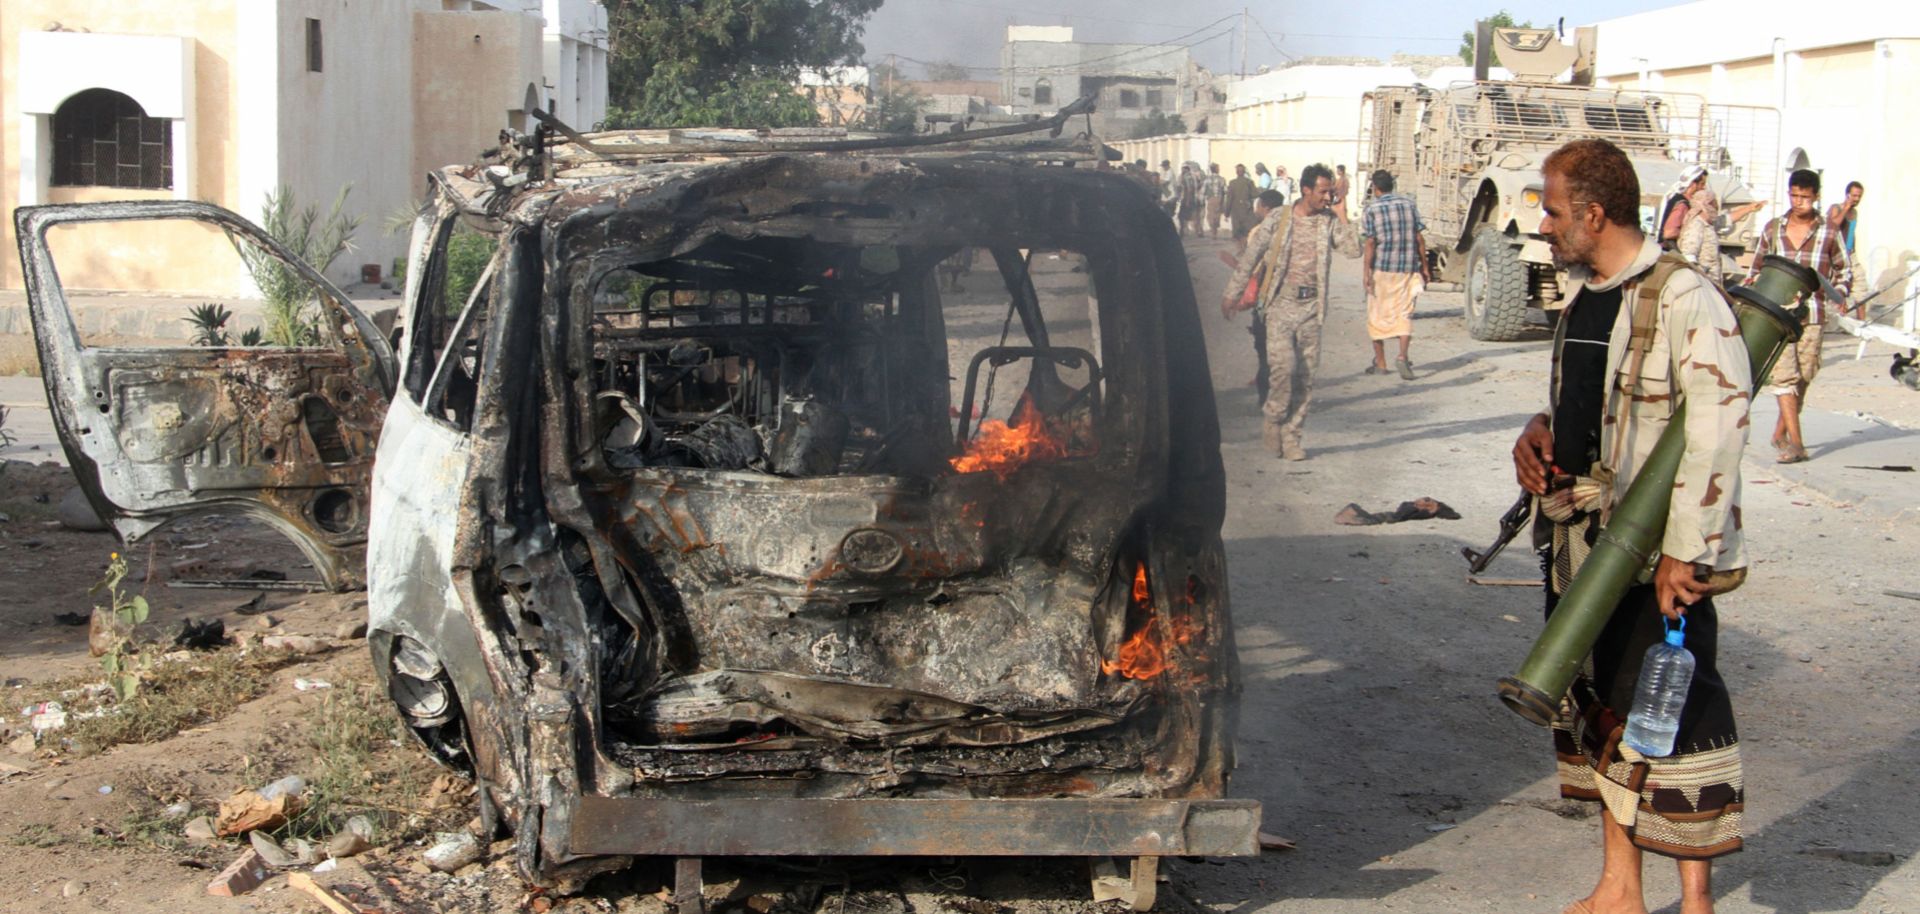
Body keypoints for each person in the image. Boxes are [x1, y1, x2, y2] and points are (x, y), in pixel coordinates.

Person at [1511, 138, 1752, 914]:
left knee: (1672, 717)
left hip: (1654, 556)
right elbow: (1588, 398)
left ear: (1594, 212)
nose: (1544, 226)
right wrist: (1537, 432)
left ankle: (1697, 901)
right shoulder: (1587, 296)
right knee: (1604, 713)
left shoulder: (1685, 296)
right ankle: (1619, 889)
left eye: (1552, 211)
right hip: (1582, 547)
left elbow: (1717, 426)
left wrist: (1690, 550)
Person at [1226, 165, 1358, 459]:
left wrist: (1340, 213)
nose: (1328, 196)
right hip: (1280, 308)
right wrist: (1232, 294)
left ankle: (1292, 436)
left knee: (1306, 377)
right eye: (1323, 191)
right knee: (1283, 369)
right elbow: (1252, 257)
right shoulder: (1279, 218)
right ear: (1306, 190)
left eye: (1330, 191)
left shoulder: (1328, 221)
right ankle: (1273, 419)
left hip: (1312, 309)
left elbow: (1353, 250)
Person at [1747, 168, 1850, 464]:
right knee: (1784, 376)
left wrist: (1839, 294)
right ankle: (1797, 443)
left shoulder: (1829, 231)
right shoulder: (1772, 229)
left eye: (1805, 197)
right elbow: (1756, 269)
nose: (1799, 202)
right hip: (1777, 315)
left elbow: (1844, 270)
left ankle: (1780, 432)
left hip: (1813, 315)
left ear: (1816, 197)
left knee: (1804, 376)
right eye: (1794, 195)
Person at [1221, 189, 1288, 404]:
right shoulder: (1292, 227)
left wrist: (1231, 263)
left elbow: (1253, 269)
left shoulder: (1259, 231)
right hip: (1287, 299)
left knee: (1264, 348)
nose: (1257, 209)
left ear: (1266, 208)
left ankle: (1266, 397)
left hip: (1265, 298)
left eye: (1259, 205)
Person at [1360, 169, 1429, 380]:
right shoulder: (1409, 205)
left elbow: (1370, 242)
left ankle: (1380, 362)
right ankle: (1402, 356)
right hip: (1407, 268)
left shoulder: (1372, 209)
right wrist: (1425, 267)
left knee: (1376, 315)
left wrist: (1366, 272)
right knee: (1404, 313)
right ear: (1392, 185)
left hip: (1382, 268)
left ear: (1375, 187)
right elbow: (1419, 239)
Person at [1666, 166, 1766, 284]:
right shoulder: (1691, 217)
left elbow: (1724, 220)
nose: (1715, 208)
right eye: (1702, 184)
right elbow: (1684, 249)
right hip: (1702, 281)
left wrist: (1749, 209)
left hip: (1712, 280)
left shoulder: (1706, 222)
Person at [1827, 180, 1865, 319]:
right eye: (1854, 195)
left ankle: (1862, 322)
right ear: (1847, 194)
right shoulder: (1836, 208)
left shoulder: (1854, 212)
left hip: (1850, 255)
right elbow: (1833, 226)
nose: (1856, 199)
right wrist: (1845, 208)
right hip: (1836, 256)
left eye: (1859, 196)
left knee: (1860, 287)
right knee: (1834, 288)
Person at [1226, 164, 1258, 247]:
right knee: (1247, 231)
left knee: (1237, 231)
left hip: (1235, 210)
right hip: (1246, 209)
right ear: (1244, 172)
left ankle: (1238, 247)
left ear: (1236, 172)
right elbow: (1255, 194)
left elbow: (1229, 199)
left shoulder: (1232, 183)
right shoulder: (1249, 182)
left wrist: (1227, 213)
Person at [1202, 163, 1229, 239]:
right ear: (1216, 169)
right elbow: (1225, 190)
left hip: (1210, 199)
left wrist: (1202, 199)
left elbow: (1203, 190)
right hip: (1219, 199)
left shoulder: (1207, 179)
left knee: (1210, 215)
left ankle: (1213, 230)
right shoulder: (1221, 179)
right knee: (1217, 215)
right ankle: (1215, 230)